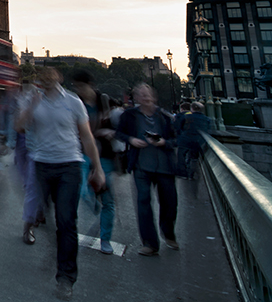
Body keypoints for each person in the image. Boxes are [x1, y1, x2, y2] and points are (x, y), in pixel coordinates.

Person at [14, 67, 104, 301]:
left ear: (59, 79)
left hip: (69, 165)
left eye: (50, 76)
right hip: (43, 165)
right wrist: (31, 105)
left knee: (66, 221)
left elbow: (86, 136)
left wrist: (98, 167)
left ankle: (65, 277)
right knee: (47, 214)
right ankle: (56, 247)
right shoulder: (34, 101)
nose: (46, 80)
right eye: (42, 78)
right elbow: (19, 127)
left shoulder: (74, 102)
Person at [115, 84, 179, 257]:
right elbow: (119, 133)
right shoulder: (129, 115)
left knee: (169, 203)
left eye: (147, 94)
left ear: (153, 97)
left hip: (165, 166)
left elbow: (176, 139)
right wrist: (132, 140)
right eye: (141, 95)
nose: (145, 97)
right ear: (135, 98)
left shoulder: (164, 117)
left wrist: (164, 143)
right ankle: (150, 243)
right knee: (143, 202)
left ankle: (168, 232)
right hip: (141, 166)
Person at [71, 71, 117, 254]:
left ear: (90, 85)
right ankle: (92, 201)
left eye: (81, 86)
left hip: (103, 153)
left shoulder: (105, 101)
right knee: (81, 190)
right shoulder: (76, 103)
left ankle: (105, 239)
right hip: (81, 152)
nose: (78, 90)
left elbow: (119, 124)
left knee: (108, 199)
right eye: (76, 87)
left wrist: (109, 132)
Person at [12, 75, 47, 245]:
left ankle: (32, 221)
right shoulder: (19, 97)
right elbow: (16, 125)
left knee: (35, 186)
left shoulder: (49, 99)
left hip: (41, 148)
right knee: (28, 185)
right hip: (23, 143)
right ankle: (34, 217)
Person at [176, 101, 211, 181]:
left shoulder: (187, 116)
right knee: (194, 157)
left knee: (181, 155)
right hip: (199, 141)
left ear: (192, 108)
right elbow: (208, 130)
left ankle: (183, 173)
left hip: (186, 139)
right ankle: (191, 174)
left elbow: (179, 127)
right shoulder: (207, 119)